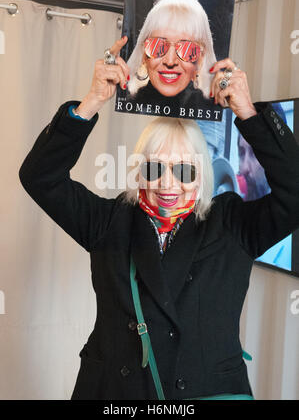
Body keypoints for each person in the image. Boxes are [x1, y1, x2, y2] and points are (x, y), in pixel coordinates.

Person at [19, 36, 299, 400]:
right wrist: (92, 101)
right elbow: (40, 177)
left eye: (183, 171)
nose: (168, 184)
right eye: (154, 168)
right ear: (138, 172)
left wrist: (247, 112)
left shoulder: (232, 224)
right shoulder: (108, 222)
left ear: (201, 176)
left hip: (205, 392)